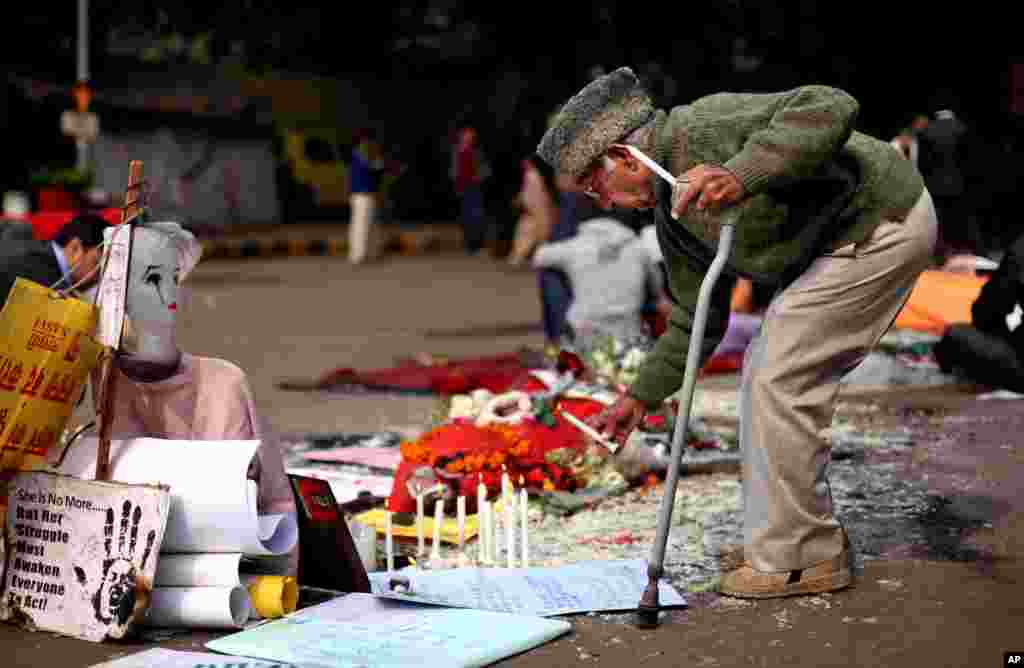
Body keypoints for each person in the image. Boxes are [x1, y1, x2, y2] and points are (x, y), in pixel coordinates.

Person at [537, 67, 937, 598]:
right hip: (834, 246)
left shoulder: (703, 128)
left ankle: (802, 555)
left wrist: (741, 172)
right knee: (765, 375)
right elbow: (693, 317)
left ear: (626, 159)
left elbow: (829, 104)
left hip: (879, 220)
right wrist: (639, 397)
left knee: (780, 378)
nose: (602, 203)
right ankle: (785, 538)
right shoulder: (672, 215)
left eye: (596, 186)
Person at [100, 221, 299, 574]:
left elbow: (247, 504)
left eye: (174, 279)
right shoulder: (103, 377)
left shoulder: (222, 382)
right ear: (117, 293)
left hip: (227, 566)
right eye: (151, 280)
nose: (170, 296)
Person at [0, 213, 109, 306]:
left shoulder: (29, 249)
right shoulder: (42, 278)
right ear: (74, 248)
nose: (97, 278)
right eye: (96, 264)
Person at [916, 109, 980, 256]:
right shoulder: (962, 129)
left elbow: (923, 163)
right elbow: (970, 160)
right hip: (958, 185)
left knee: (935, 221)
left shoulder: (927, 131)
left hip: (934, 185)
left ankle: (935, 253)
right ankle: (963, 250)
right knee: (960, 219)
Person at [348, 129, 384, 264]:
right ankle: (358, 255)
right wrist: (378, 164)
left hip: (368, 194)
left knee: (372, 225)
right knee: (361, 225)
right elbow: (373, 169)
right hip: (362, 195)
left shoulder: (362, 155)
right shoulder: (361, 156)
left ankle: (371, 251)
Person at [452, 126, 490, 255]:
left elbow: (485, 169)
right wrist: (457, 185)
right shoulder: (457, 151)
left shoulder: (476, 152)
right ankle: (470, 246)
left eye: (472, 137)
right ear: (462, 136)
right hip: (463, 187)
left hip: (475, 187)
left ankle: (476, 245)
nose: (470, 138)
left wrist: (479, 176)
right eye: (467, 136)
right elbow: (454, 171)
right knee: (466, 217)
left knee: (477, 216)